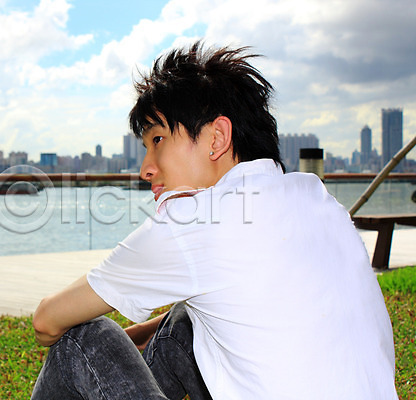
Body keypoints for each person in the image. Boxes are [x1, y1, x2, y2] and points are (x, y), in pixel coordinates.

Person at [31, 41, 398, 399]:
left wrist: (99, 353)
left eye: (157, 140)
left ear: (217, 137)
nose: (145, 169)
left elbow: (46, 321)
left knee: (83, 340)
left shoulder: (194, 220)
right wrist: (133, 345)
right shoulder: (315, 197)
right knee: (182, 323)